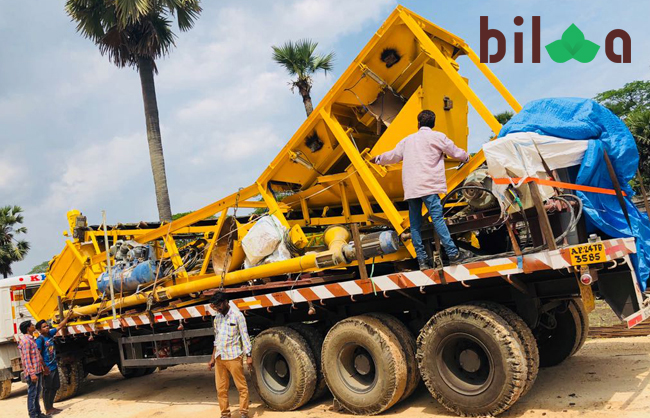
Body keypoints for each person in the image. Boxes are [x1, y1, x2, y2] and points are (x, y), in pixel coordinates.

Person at [372, 109, 470, 270]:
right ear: (434, 123)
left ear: (418, 123)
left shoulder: (407, 140)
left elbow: (393, 156)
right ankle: (453, 254)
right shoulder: (438, 137)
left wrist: (377, 159)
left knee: (415, 225)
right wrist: (466, 157)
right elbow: (454, 152)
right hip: (430, 186)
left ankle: (422, 261)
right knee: (437, 220)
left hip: (412, 188)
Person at [207, 291, 253, 418]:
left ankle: (244, 413)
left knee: (241, 387)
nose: (217, 308)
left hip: (234, 356)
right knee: (221, 389)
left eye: (219, 305)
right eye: (215, 306)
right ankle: (225, 414)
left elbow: (244, 336)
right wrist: (212, 358)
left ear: (226, 302)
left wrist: (249, 355)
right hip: (220, 357)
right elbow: (217, 340)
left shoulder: (237, 316)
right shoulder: (217, 318)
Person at [35, 316, 70, 416]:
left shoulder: (50, 334)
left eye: (47, 326)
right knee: (47, 389)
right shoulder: (40, 340)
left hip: (54, 366)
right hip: (47, 368)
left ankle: (51, 406)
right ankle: (48, 409)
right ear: (39, 330)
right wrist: (44, 367)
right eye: (44, 327)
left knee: (56, 386)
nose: (47, 327)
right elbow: (38, 354)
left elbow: (60, 326)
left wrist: (68, 316)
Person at [18, 320, 48, 418]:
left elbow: (36, 355)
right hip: (33, 373)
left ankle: (38, 413)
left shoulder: (32, 339)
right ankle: (33, 415)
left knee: (37, 394)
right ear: (28, 328)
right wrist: (32, 374)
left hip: (37, 370)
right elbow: (27, 360)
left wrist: (42, 367)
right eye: (31, 325)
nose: (33, 326)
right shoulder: (26, 341)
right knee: (32, 394)